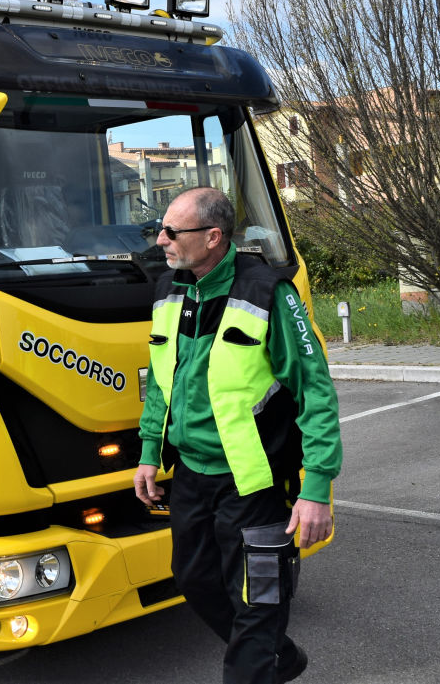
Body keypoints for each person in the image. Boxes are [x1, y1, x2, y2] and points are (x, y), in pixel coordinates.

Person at [134, 187, 342, 684]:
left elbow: (315, 392)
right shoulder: (170, 288)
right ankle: (276, 656)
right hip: (190, 478)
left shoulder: (269, 292)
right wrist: (148, 453)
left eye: (171, 232)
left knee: (259, 600)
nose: (159, 240)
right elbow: (163, 382)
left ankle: (260, 660)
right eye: (160, 229)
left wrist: (315, 490)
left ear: (212, 237)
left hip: (256, 482)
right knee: (196, 581)